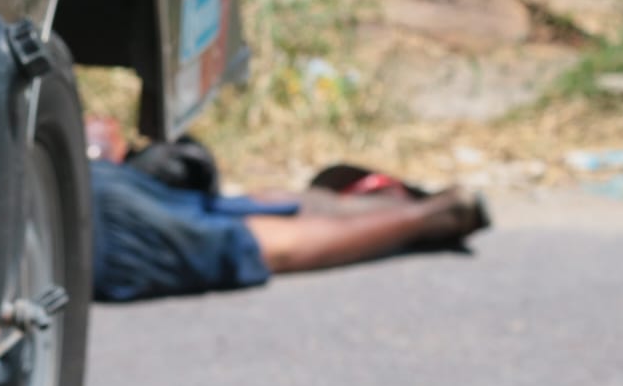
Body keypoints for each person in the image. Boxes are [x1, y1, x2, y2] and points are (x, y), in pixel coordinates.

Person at [86, 127, 491, 303]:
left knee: (256, 243)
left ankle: (425, 216)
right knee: (227, 214)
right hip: (93, 188)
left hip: (99, 228)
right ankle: (407, 210)